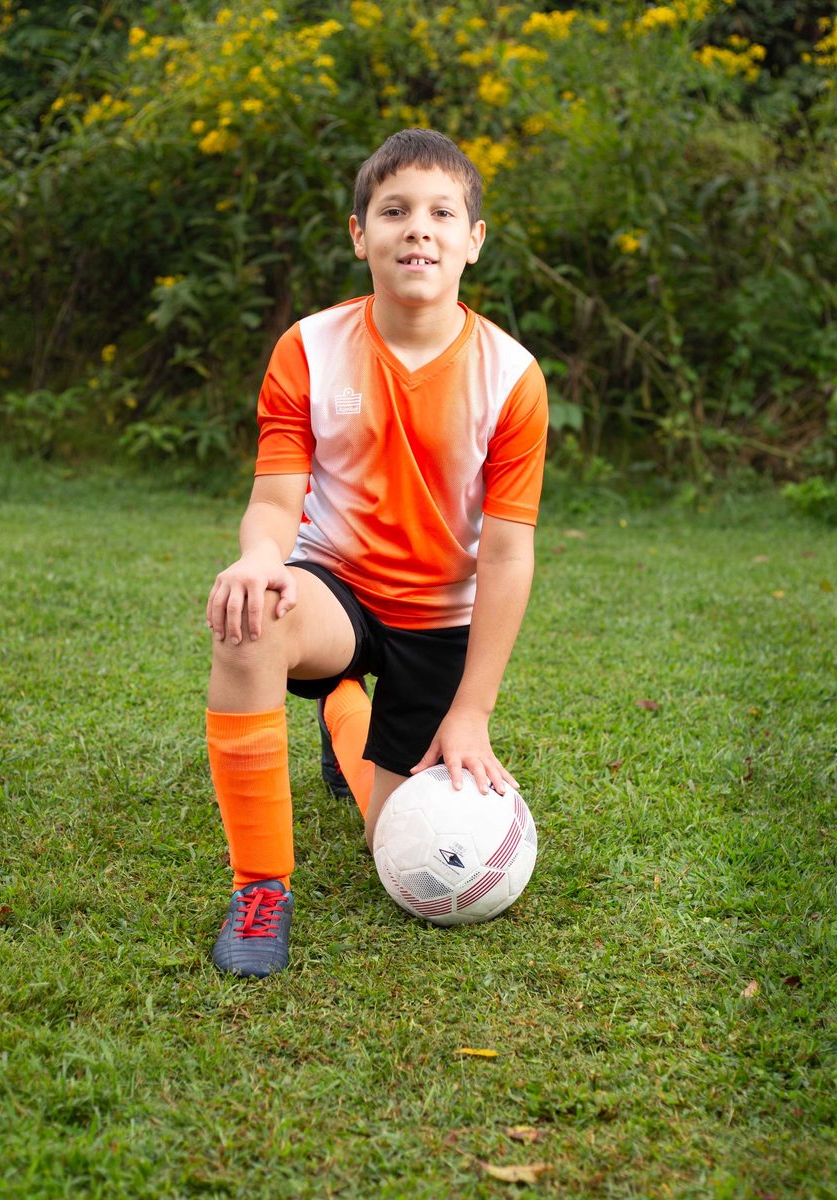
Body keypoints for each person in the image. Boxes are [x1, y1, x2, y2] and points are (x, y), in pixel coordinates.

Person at [205, 128, 549, 978]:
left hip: (441, 621)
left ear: (473, 240)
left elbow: (505, 557)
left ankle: (344, 716)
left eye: (441, 212)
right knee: (250, 621)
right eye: (393, 211)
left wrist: (470, 711)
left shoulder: (511, 376)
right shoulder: (311, 346)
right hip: (336, 588)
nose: (417, 229)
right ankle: (260, 890)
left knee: (390, 845)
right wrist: (259, 560)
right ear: (360, 234)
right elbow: (277, 497)